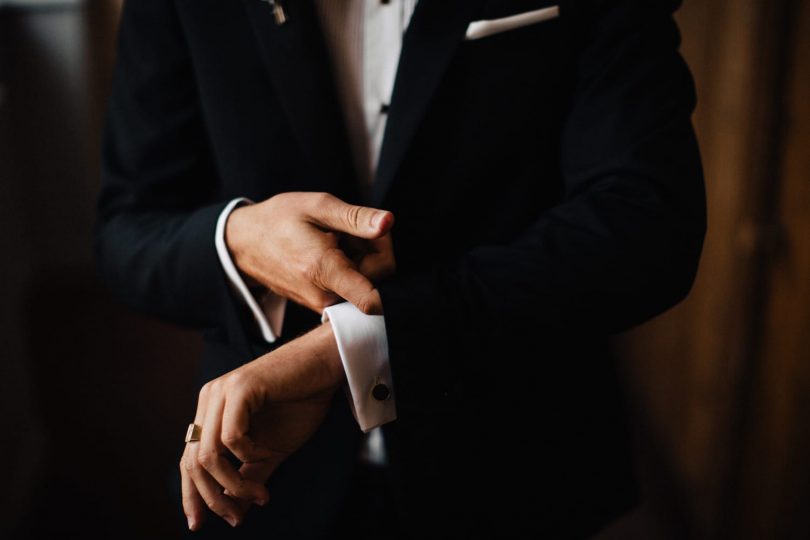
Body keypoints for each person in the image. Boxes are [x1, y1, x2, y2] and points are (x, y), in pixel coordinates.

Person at [95, 0, 706, 538]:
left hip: (516, 451)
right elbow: (126, 235)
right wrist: (239, 238)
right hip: (262, 468)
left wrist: (354, 350)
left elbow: (647, 227)